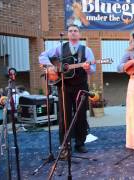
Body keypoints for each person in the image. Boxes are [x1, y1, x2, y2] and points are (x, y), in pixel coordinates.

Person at [39, 24, 96, 153]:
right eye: (70, 31)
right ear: (68, 34)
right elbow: (42, 56)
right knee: (64, 115)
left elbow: (93, 70)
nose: (73, 33)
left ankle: (80, 143)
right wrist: (50, 66)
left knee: (80, 114)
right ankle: (65, 144)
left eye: (75, 31)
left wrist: (88, 68)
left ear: (79, 34)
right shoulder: (60, 47)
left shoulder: (86, 50)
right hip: (63, 85)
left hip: (81, 86)